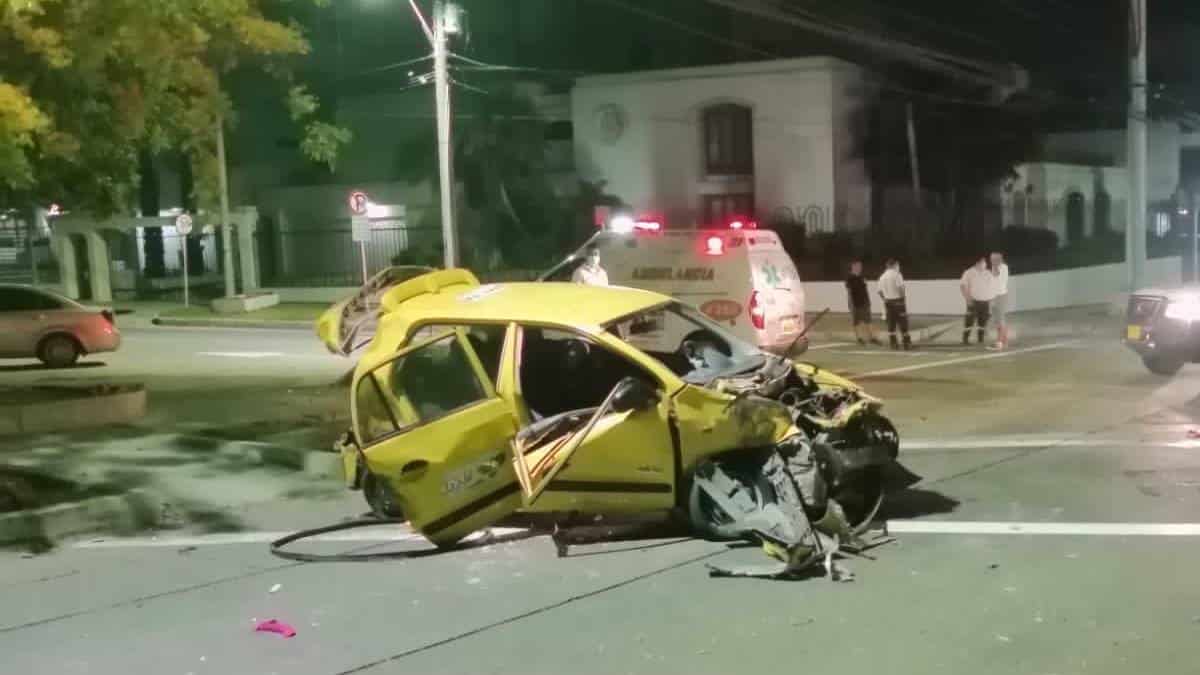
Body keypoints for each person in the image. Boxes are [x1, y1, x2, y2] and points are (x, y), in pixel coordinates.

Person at [960, 255, 995, 346]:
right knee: (969, 320)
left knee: (983, 322)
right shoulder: (969, 272)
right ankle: (965, 339)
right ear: (977, 263)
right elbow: (963, 286)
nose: (985, 264)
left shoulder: (988, 273)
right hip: (973, 301)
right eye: (983, 263)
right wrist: (968, 298)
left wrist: (992, 301)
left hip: (985, 301)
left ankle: (980, 340)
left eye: (985, 263)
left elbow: (992, 287)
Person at [877, 258, 911, 350]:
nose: (898, 267)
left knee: (891, 324)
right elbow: (901, 288)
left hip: (888, 303)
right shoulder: (897, 275)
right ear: (893, 265)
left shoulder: (882, 277)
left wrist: (884, 299)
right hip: (898, 302)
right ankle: (906, 343)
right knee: (903, 323)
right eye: (897, 265)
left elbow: (879, 291)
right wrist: (903, 300)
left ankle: (893, 343)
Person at [845, 260, 880, 345]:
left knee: (868, 320)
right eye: (858, 266)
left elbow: (865, 290)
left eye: (861, 266)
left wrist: (868, 300)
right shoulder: (849, 278)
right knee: (856, 322)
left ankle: (872, 337)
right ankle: (859, 338)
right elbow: (849, 292)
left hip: (865, 302)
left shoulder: (862, 277)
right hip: (855, 303)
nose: (860, 268)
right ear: (853, 267)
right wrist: (850, 303)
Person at [989, 251, 1010, 350]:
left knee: (1000, 321)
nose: (991, 260)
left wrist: (994, 265)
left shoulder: (1003, 267)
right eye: (991, 259)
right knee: (999, 321)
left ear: (999, 259)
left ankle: (999, 343)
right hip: (994, 296)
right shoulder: (994, 267)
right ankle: (1004, 341)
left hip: (1000, 296)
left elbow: (997, 275)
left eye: (993, 258)